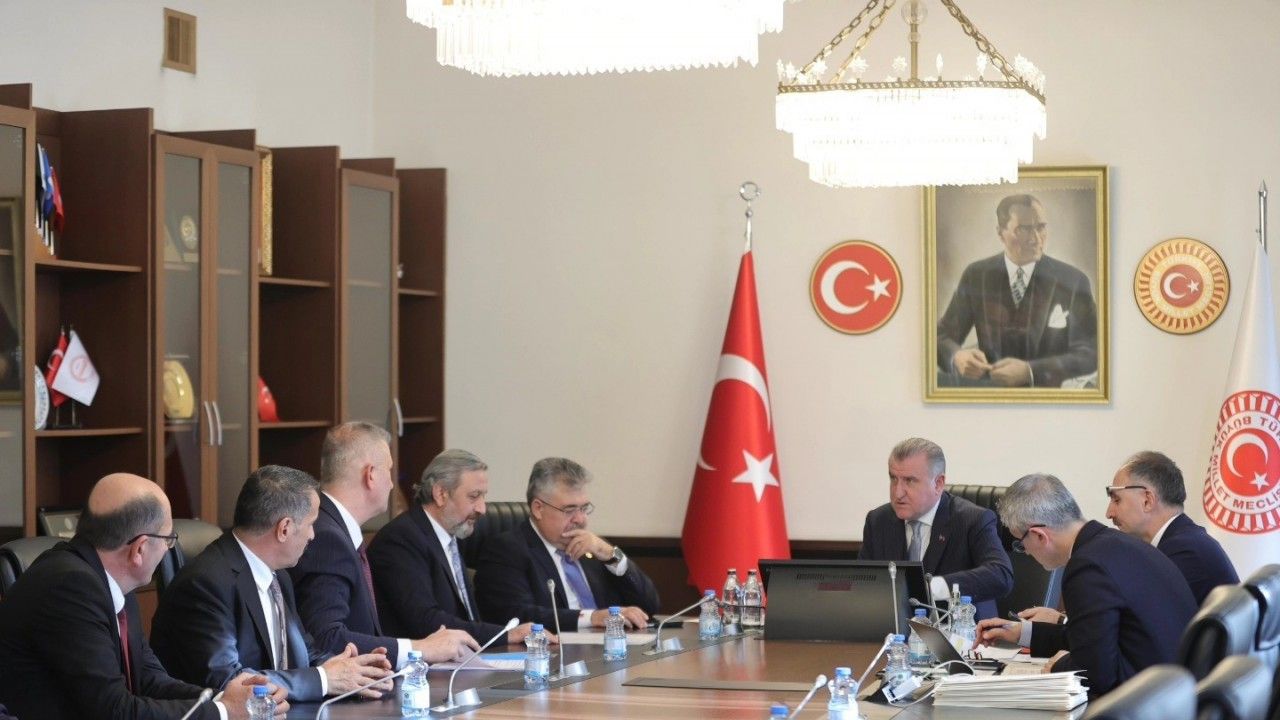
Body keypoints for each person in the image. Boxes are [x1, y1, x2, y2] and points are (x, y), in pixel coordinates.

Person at [0, 473, 285, 720]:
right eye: (168, 539)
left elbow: (148, 680)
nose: (168, 549)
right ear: (140, 549)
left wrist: (225, 698)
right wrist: (224, 712)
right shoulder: (70, 587)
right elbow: (113, 710)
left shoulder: (111, 581)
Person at [151, 465, 394, 703]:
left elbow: (303, 652)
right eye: (311, 524)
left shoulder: (278, 575)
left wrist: (351, 670)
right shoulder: (205, 584)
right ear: (284, 528)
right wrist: (323, 679)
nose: (313, 535)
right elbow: (230, 682)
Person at [976, 473, 1197, 698]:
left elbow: (1094, 673)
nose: (1026, 553)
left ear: (1039, 535)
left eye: (1021, 544)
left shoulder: (1087, 567)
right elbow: (1093, 638)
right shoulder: (1116, 545)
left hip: (1143, 700)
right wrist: (1023, 633)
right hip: (1173, 693)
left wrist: (1059, 666)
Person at [289, 422, 481, 667]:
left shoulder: (333, 528)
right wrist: (420, 648)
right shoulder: (327, 538)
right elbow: (327, 639)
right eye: (389, 471)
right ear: (370, 475)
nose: (392, 484)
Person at [366, 449, 540, 646]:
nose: (482, 509)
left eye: (483, 496)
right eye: (474, 496)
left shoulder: (452, 535)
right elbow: (427, 622)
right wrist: (506, 635)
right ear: (441, 494)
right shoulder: (401, 540)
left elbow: (467, 618)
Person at [474, 457, 661, 630]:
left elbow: (649, 606)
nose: (580, 519)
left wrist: (611, 555)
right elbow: (516, 615)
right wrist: (592, 618)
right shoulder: (507, 550)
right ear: (538, 508)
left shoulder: (593, 548)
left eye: (584, 508)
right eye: (569, 510)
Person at [937, 193, 1098, 388]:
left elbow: (1093, 352)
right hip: (989, 396)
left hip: (1049, 398)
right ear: (1000, 233)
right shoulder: (976, 275)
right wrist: (957, 356)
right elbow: (940, 336)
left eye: (1041, 227)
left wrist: (1031, 371)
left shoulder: (1073, 281)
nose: (1035, 239)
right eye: (1023, 229)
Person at [857, 438, 1012, 620]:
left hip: (961, 632)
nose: (898, 493)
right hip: (896, 631)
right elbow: (863, 582)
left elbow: (1001, 575)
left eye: (910, 481)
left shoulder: (972, 520)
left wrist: (933, 588)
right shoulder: (878, 521)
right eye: (893, 478)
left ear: (938, 483)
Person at [1105, 451, 1238, 604]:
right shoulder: (1185, 541)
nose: (1109, 513)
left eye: (1117, 500)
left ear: (1147, 500)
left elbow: (1136, 615)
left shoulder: (1183, 554)